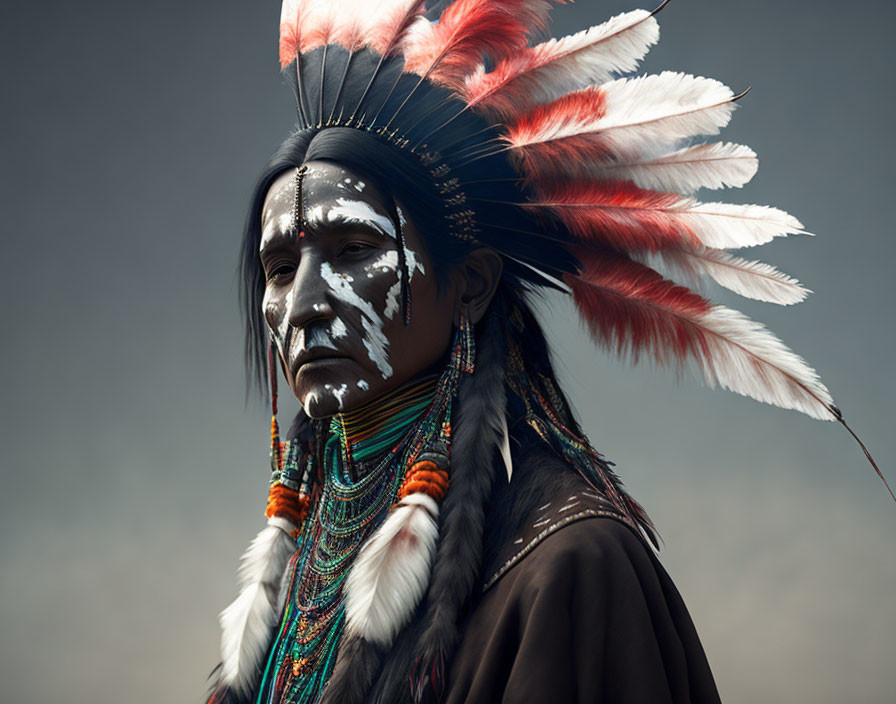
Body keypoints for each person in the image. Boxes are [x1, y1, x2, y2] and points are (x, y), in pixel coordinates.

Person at [205, 1, 870, 702]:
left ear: (472, 285)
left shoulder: (572, 567)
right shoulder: (309, 550)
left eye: (354, 250)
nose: (304, 303)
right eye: (280, 269)